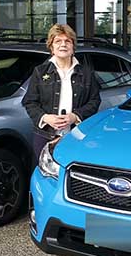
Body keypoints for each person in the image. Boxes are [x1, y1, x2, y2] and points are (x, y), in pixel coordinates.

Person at [22, 24, 101, 159]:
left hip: (76, 136)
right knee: (45, 175)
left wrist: (75, 117)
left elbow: (95, 101)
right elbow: (29, 102)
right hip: (45, 136)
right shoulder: (40, 72)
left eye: (67, 41)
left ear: (73, 47)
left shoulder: (86, 73)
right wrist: (46, 118)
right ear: (52, 47)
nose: (63, 45)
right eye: (58, 41)